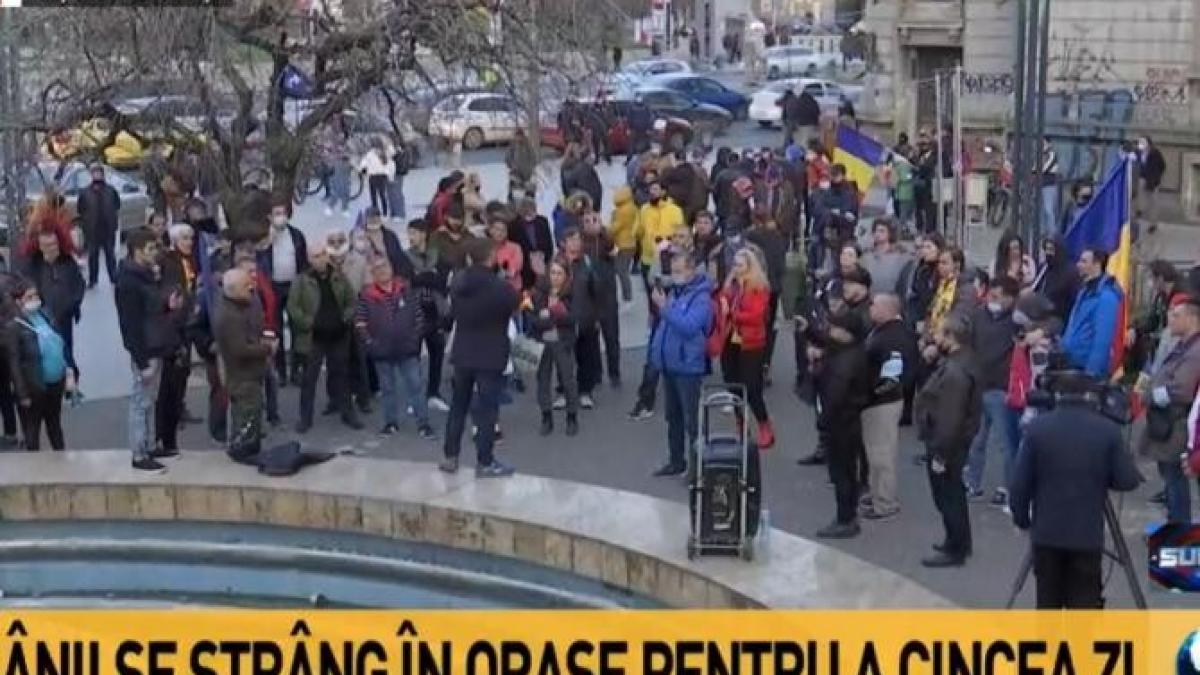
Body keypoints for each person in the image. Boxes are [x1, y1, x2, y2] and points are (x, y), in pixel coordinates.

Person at [1010, 373, 1141, 608]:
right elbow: (1127, 480)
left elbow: (1019, 484)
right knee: (1084, 607)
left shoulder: (1038, 428)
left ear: (1057, 395)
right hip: (1086, 536)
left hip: (1047, 534)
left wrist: (1021, 520)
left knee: (1047, 606)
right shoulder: (1107, 430)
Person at [438, 238, 519, 478]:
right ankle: (485, 461)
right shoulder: (499, 286)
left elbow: (451, 315)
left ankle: (450, 456)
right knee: (487, 411)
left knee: (458, 407)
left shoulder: (459, 283)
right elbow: (514, 304)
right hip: (490, 354)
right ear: (491, 257)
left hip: (463, 352)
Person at [916, 314, 982, 567]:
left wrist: (940, 454)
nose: (935, 337)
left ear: (951, 338)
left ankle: (956, 549)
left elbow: (950, 417)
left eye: (940, 333)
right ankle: (956, 541)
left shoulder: (955, 372)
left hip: (947, 445)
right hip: (951, 441)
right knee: (950, 495)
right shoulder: (960, 361)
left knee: (948, 496)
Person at [115, 228, 182, 473]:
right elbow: (130, 324)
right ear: (137, 251)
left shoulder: (144, 275)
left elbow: (150, 309)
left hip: (156, 344)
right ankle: (139, 453)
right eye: (151, 249)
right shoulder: (129, 281)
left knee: (148, 400)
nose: (155, 254)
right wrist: (141, 359)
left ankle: (149, 445)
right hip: (146, 349)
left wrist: (166, 305)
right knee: (140, 400)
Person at [356, 257, 436, 440]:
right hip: (381, 352)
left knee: (416, 386)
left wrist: (415, 339)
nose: (381, 270)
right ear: (372, 274)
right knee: (387, 389)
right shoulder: (366, 296)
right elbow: (360, 324)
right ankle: (390, 423)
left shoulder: (406, 290)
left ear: (391, 268)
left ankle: (423, 423)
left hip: (408, 349)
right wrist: (370, 343)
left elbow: (419, 316)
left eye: (384, 266)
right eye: (376, 268)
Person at [808, 306, 872, 538]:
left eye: (835, 328)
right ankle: (847, 515)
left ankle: (846, 519)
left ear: (847, 332)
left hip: (841, 421)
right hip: (847, 418)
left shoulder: (846, 361)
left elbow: (835, 394)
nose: (831, 331)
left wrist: (824, 421)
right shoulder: (848, 351)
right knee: (844, 470)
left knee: (842, 471)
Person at [649, 253, 714, 477]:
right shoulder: (676, 293)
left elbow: (689, 326)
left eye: (678, 271)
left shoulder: (702, 298)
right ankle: (676, 461)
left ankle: (698, 467)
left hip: (688, 367)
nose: (674, 276)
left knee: (692, 420)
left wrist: (664, 308)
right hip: (670, 365)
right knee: (673, 417)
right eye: (672, 271)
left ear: (691, 271)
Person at [288, 245, 363, 433]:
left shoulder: (338, 277)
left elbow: (352, 301)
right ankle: (305, 418)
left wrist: (345, 317)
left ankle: (347, 412)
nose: (319, 259)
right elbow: (293, 308)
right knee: (309, 379)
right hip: (314, 337)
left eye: (322, 255)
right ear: (309, 259)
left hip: (338, 334)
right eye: (315, 256)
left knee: (341, 375)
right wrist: (309, 323)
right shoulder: (302, 280)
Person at [1139, 296, 1200, 524]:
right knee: (1170, 479)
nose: (1170, 321)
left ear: (1192, 318)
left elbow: (1181, 390)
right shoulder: (1183, 345)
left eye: (1176, 316)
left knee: (1175, 481)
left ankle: (1179, 531)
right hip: (1167, 423)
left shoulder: (1195, 351)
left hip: (1177, 424)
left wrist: (1149, 396)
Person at [963, 275, 1020, 506]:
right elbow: (969, 344)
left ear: (1010, 299)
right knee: (976, 440)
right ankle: (972, 483)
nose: (991, 300)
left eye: (997, 297)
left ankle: (1009, 488)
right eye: (990, 295)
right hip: (978, 385)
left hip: (1001, 388)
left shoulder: (1017, 321)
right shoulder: (978, 315)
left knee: (1006, 444)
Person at [860, 293, 916, 520]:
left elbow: (893, 378)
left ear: (887, 309)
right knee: (874, 452)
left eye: (873, 305)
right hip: (878, 401)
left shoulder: (894, 338)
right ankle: (876, 493)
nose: (870, 309)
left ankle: (885, 502)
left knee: (881, 453)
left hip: (882, 404)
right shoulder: (885, 331)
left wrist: (873, 394)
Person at [214, 267, 276, 463]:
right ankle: (245, 454)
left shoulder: (240, 305)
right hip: (242, 376)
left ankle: (245, 448)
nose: (251, 286)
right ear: (232, 290)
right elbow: (239, 349)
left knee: (249, 414)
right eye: (246, 285)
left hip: (248, 374)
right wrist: (267, 349)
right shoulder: (228, 316)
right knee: (248, 417)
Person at [5, 280, 74, 451]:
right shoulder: (14, 327)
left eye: (35, 295)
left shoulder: (45, 315)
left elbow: (59, 344)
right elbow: (14, 363)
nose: (34, 299)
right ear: (19, 301)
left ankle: (61, 462)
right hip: (34, 387)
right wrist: (22, 394)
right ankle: (34, 469)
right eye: (29, 297)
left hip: (54, 383)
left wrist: (68, 372)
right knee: (33, 430)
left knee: (55, 424)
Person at [720, 248, 774, 449]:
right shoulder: (731, 286)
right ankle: (741, 423)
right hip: (730, 340)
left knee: (752, 387)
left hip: (751, 343)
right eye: (734, 264)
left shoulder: (758, 288)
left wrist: (733, 314)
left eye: (741, 265)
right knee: (733, 385)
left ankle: (764, 424)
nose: (736, 269)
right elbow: (721, 306)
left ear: (751, 267)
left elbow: (756, 316)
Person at [156, 223, 200, 454]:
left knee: (182, 376)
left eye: (191, 238)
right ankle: (164, 436)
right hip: (174, 328)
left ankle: (175, 418)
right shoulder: (168, 262)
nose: (189, 242)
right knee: (169, 384)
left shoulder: (190, 260)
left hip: (187, 325)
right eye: (184, 238)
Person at [527, 259, 580, 437]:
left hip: (562, 342)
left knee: (568, 380)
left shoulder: (571, 293)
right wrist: (546, 319)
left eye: (559, 273)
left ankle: (572, 417)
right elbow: (532, 318)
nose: (555, 277)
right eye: (553, 273)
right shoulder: (538, 293)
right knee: (543, 380)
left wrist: (553, 313)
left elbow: (574, 317)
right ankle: (546, 417)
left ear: (566, 276)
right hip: (542, 342)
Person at [21, 229, 84, 377]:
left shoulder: (67, 262)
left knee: (67, 349)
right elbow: (26, 286)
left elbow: (79, 284)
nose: (52, 248)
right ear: (40, 246)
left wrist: (74, 303)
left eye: (54, 244)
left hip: (65, 316)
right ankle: (62, 380)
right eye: (47, 245)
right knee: (53, 353)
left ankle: (70, 381)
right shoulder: (34, 265)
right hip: (43, 319)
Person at [406, 220, 451, 412]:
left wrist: (422, 278)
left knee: (437, 354)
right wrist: (426, 277)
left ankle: (434, 393)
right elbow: (408, 281)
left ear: (424, 234)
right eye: (409, 233)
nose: (410, 237)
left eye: (414, 233)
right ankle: (414, 397)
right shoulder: (405, 257)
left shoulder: (438, 256)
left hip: (436, 311)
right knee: (413, 356)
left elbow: (441, 281)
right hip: (415, 310)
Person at [263, 204, 309, 386]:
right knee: (276, 329)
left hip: (293, 286)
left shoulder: (296, 235)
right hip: (273, 287)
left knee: (297, 328)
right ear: (270, 217)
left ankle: (297, 369)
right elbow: (260, 258)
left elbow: (303, 262)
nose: (281, 217)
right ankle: (280, 371)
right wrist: (269, 240)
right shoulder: (266, 237)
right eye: (277, 214)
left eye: (283, 213)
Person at [1061, 248, 1123, 379]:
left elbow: (1102, 339)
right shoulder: (1084, 292)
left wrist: (1091, 374)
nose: (1078, 265)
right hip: (1072, 366)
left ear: (1097, 264)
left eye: (1084, 261)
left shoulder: (1106, 297)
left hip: (1086, 371)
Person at [581, 211, 621, 390]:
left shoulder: (605, 239)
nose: (591, 224)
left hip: (607, 296)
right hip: (589, 298)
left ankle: (614, 372)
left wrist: (603, 231)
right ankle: (595, 373)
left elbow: (614, 252)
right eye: (587, 221)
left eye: (594, 220)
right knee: (591, 338)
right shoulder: (581, 243)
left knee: (611, 337)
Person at [637, 181, 686, 301]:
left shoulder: (675, 210)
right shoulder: (644, 209)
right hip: (647, 258)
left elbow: (680, 232)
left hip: (667, 259)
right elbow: (639, 230)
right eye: (651, 190)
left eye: (655, 189)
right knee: (651, 297)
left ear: (663, 191)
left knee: (668, 295)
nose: (652, 192)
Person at [77, 164, 121, 288]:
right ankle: (93, 279)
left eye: (99, 172)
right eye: (94, 173)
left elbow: (117, 205)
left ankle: (114, 277)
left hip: (108, 228)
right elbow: (81, 209)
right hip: (92, 229)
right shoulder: (85, 192)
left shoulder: (110, 190)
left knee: (110, 255)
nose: (97, 175)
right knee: (93, 256)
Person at [361, 206, 414, 282]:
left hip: (393, 274)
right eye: (371, 217)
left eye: (376, 217)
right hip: (372, 276)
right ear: (366, 219)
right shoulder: (361, 235)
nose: (373, 220)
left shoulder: (390, 235)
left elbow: (399, 255)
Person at [1032, 237, 1079, 321]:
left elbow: (1073, 301)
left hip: (1059, 318)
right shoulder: (1043, 268)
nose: (1048, 253)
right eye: (1046, 249)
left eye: (1051, 250)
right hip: (1039, 315)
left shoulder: (1071, 272)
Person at [512, 198, 555, 291]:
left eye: (532, 211)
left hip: (544, 263)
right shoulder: (513, 225)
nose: (529, 214)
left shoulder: (543, 221)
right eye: (526, 212)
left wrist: (544, 258)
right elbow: (514, 247)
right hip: (525, 268)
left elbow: (549, 242)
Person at [861, 217, 910, 297]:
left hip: (891, 298)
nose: (878, 234)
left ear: (890, 233)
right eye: (876, 231)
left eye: (882, 231)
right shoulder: (867, 255)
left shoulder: (900, 255)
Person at [610, 186, 639, 303]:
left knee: (621, 270)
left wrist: (606, 230)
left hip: (623, 244)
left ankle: (627, 296)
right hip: (631, 243)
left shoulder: (622, 211)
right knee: (623, 270)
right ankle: (627, 295)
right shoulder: (632, 207)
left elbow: (616, 227)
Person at [359, 142, 395, 217]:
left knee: (375, 195)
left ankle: (378, 212)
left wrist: (361, 169)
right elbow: (390, 165)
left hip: (375, 176)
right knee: (380, 195)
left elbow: (363, 163)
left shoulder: (371, 154)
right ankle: (382, 212)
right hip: (380, 176)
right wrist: (390, 176)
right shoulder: (385, 153)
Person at [489, 216, 524, 293]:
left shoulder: (515, 248)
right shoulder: (485, 248)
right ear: (490, 230)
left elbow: (514, 270)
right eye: (497, 229)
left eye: (503, 230)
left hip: (512, 289)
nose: (500, 233)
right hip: (491, 290)